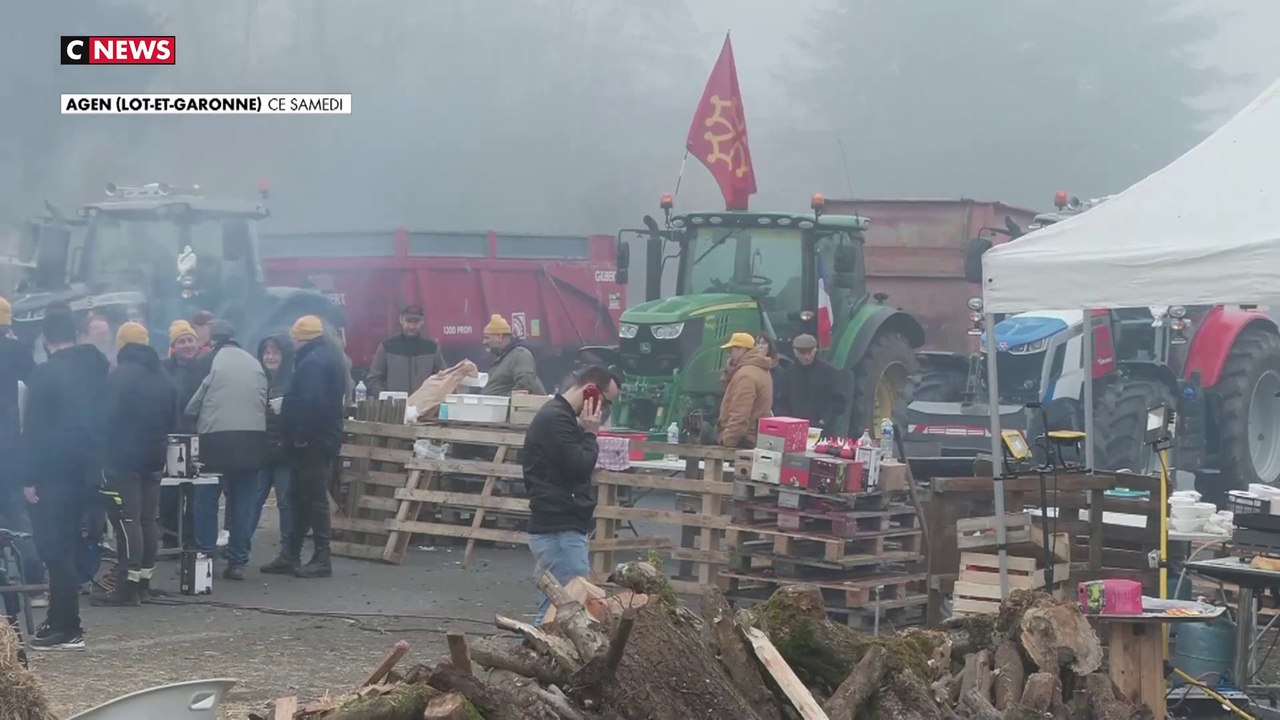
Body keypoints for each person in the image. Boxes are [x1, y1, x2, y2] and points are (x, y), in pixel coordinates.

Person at [23, 308, 109, 650]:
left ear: (45, 338)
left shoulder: (45, 374)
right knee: (72, 543)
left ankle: (67, 626)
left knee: (55, 549)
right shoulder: (97, 368)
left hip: (55, 473)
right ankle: (59, 618)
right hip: (89, 470)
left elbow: (35, 429)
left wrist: (29, 477)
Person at [523, 365, 620, 622]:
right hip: (558, 528)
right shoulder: (557, 420)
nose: (603, 411)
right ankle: (535, 646)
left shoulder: (560, 417)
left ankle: (534, 646)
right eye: (605, 403)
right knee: (568, 605)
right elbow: (580, 466)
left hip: (559, 525)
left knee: (555, 606)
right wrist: (590, 434)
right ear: (591, 391)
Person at [91, 323, 175, 606]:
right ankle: (143, 583)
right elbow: (172, 418)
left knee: (128, 520)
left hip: (123, 459)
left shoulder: (119, 377)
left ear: (121, 345)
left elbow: (104, 419)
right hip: (155, 457)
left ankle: (126, 586)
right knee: (149, 519)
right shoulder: (163, 375)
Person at [184, 320, 268, 580]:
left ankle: (205, 558)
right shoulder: (254, 363)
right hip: (253, 442)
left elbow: (193, 403)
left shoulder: (208, 361)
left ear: (213, 340)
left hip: (215, 442)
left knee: (206, 500)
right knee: (243, 502)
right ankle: (238, 561)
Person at [275, 315, 346, 578]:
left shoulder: (312, 363)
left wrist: (300, 435)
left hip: (312, 442)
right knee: (300, 497)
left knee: (314, 499)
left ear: (300, 338)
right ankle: (291, 555)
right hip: (321, 438)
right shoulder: (324, 356)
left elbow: (311, 403)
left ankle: (321, 558)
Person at [0, 297, 43, 602]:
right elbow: (38, 383)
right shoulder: (16, 350)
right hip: (9, 447)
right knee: (18, 517)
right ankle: (35, 586)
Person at [159, 319, 212, 552]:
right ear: (173, 346)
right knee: (169, 492)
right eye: (182, 341)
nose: (188, 345)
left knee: (195, 491)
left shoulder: (206, 368)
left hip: (198, 437)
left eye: (190, 340)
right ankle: (170, 536)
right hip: (171, 437)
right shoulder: (164, 369)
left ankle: (191, 538)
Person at [253, 334, 295, 572]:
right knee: (253, 501)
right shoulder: (257, 379)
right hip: (261, 453)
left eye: (275, 352)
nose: (270, 357)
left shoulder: (293, 380)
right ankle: (237, 549)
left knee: (286, 504)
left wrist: (285, 408)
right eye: (266, 352)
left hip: (285, 454)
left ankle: (288, 552)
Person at [366, 304, 446, 397]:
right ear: (401, 320)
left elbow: (443, 379)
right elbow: (374, 380)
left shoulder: (432, 348)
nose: (412, 326)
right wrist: (387, 399)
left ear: (422, 322)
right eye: (408, 321)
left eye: (416, 322)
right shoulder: (387, 347)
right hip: (395, 405)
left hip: (424, 406)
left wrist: (431, 399)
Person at [775, 334, 847, 434]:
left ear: (815, 350)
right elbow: (781, 401)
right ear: (795, 352)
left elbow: (838, 401)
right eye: (802, 353)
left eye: (809, 353)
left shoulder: (829, 372)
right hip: (795, 430)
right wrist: (787, 420)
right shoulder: (788, 373)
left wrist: (824, 419)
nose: (806, 357)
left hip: (822, 431)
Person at [715, 332, 774, 448]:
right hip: (755, 438)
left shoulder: (745, 375)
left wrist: (727, 440)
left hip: (744, 441)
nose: (730, 354)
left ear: (741, 349)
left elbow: (740, 415)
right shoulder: (761, 369)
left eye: (732, 350)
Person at [481, 314, 545, 396]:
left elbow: (524, 386)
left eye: (487, 338)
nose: (484, 342)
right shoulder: (503, 358)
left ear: (500, 337)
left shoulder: (520, 355)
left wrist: (506, 399)